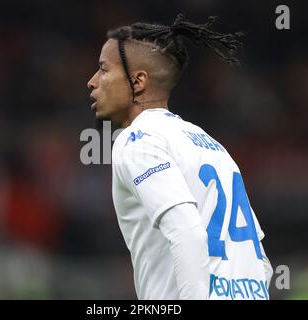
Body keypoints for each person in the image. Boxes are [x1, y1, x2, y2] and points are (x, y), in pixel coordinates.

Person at [87, 14, 273, 300]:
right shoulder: (212, 145)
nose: (92, 82)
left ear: (138, 82)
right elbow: (261, 263)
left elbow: (187, 232)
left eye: (103, 70)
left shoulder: (138, 140)